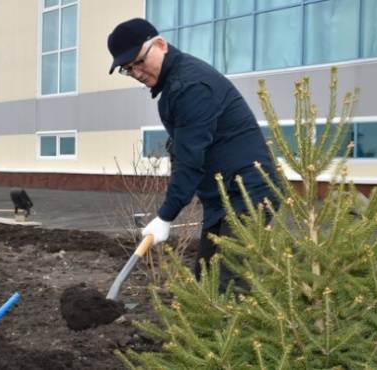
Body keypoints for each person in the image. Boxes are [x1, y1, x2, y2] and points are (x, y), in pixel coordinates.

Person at [107, 18, 281, 291]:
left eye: (139, 62)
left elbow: (190, 159)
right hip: (223, 197)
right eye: (128, 69)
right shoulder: (175, 86)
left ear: (161, 45)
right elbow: (183, 152)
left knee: (230, 284)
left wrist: (166, 216)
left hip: (249, 194)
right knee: (206, 277)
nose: (137, 73)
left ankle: (240, 331)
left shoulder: (191, 87)